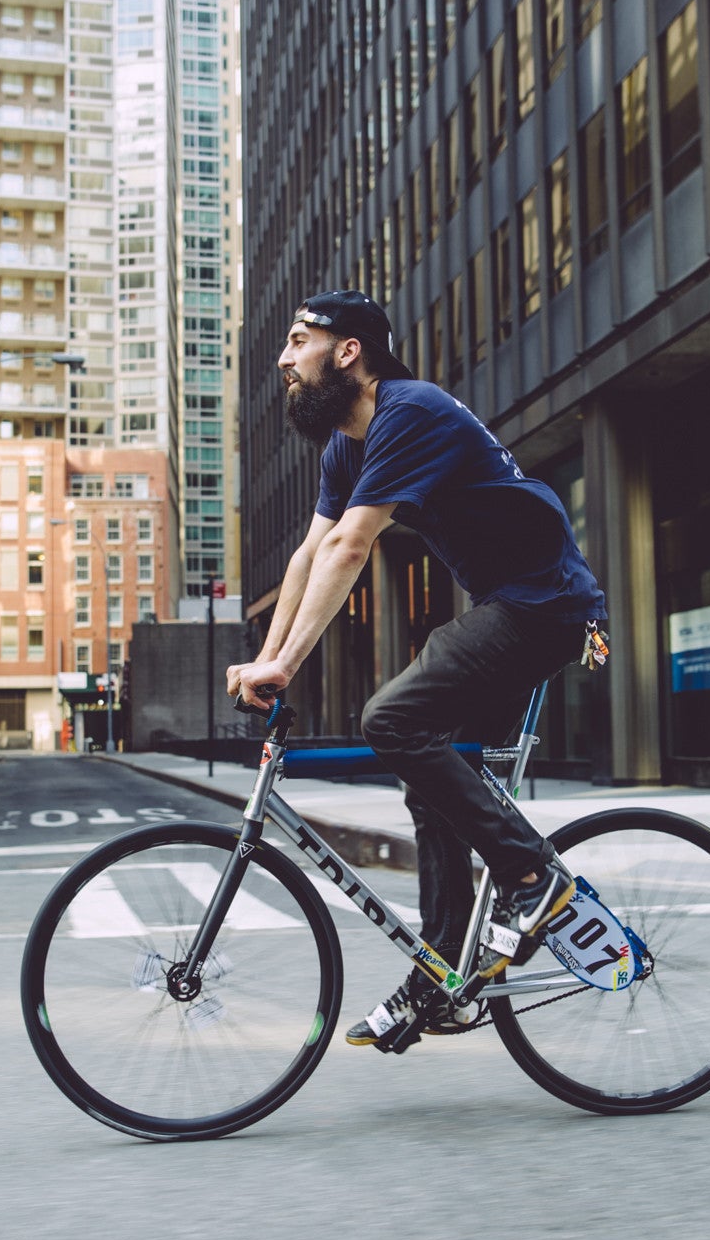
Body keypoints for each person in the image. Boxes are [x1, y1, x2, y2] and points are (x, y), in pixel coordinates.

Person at [226, 290, 611, 1053]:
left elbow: (351, 548)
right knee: (431, 776)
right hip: (513, 604)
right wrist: (273, 654)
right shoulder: (349, 444)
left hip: (546, 605)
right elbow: (309, 554)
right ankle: (440, 976)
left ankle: (533, 878)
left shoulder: (411, 410)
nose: (282, 359)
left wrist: (282, 663)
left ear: (347, 352)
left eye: (299, 340)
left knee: (391, 720)